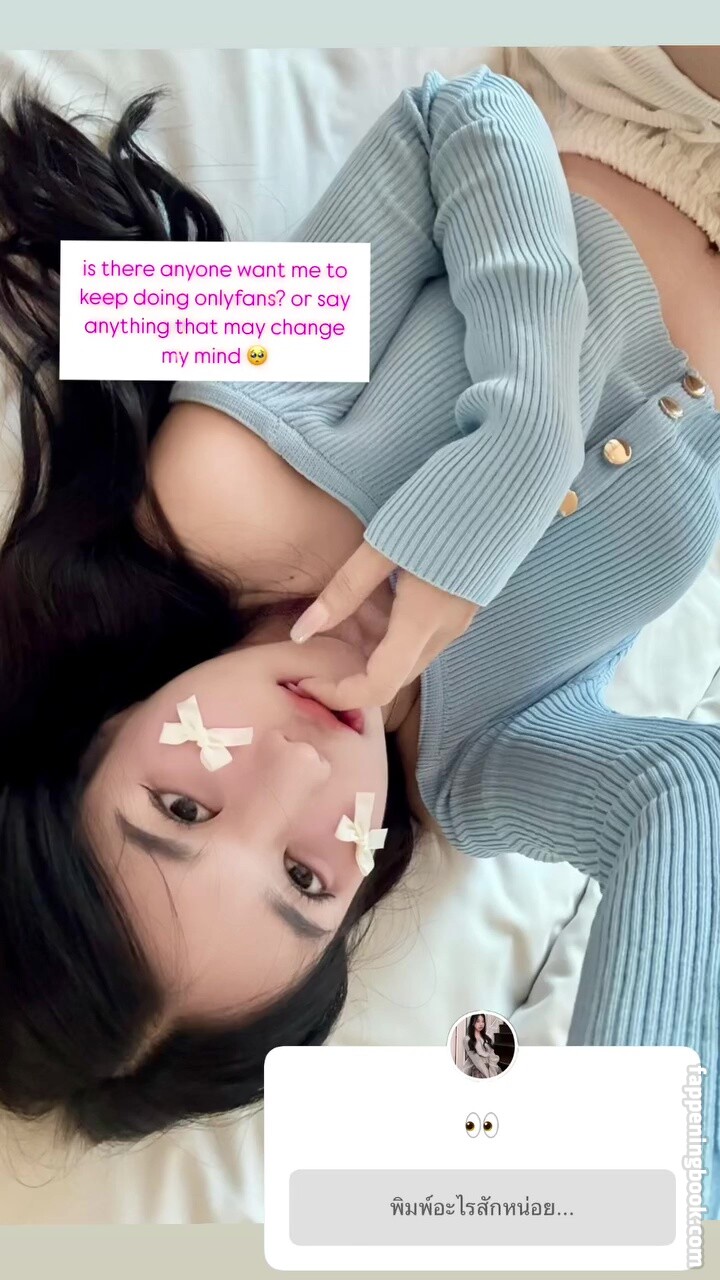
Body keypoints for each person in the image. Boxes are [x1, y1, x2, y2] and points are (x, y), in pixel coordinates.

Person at [0, 61, 718, 1217]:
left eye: (182, 805)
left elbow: (453, 113)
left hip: (651, 106)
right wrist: (652, 1201)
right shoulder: (479, 771)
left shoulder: (213, 483)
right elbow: (687, 793)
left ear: (100, 734)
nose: (296, 770)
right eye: (302, 876)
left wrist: (524, 432)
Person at [462, 1014, 500, 1080]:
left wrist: (492, 1073)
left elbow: (492, 1055)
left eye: (483, 1021)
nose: (481, 1024)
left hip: (491, 1066)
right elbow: (477, 1061)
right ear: (472, 1023)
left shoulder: (487, 1037)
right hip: (478, 1067)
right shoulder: (467, 1039)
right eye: (478, 1021)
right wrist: (488, 1076)